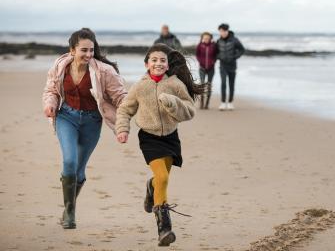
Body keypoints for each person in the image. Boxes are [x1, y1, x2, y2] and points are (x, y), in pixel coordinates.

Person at [115, 43, 204, 247]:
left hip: (171, 137)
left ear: (167, 64)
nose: (158, 63)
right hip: (149, 138)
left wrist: (173, 102)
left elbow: (190, 111)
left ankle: (151, 186)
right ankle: (164, 228)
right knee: (163, 178)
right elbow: (124, 110)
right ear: (147, 64)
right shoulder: (139, 86)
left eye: (162, 60)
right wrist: (122, 129)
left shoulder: (175, 84)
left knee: (160, 181)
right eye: (154, 60)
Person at [42, 28, 127, 229]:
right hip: (66, 117)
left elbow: (121, 97)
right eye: (83, 50)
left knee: (79, 170)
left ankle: (68, 206)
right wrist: (50, 104)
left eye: (91, 50)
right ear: (72, 50)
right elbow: (51, 90)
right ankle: (70, 212)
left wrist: (124, 122)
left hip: (92, 121)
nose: (88, 54)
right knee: (69, 161)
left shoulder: (104, 71)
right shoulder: (60, 65)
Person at [216, 23, 245, 111]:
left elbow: (242, 50)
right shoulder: (218, 41)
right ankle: (223, 102)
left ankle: (230, 102)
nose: (222, 33)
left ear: (227, 31)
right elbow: (216, 52)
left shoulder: (235, 40)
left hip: (232, 66)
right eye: (220, 31)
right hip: (222, 66)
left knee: (231, 84)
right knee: (223, 83)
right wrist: (219, 57)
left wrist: (235, 57)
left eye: (224, 31)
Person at [195, 32, 217, 109]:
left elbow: (216, 55)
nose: (206, 39)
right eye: (205, 38)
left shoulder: (213, 46)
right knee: (202, 85)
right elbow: (197, 55)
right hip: (202, 68)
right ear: (202, 38)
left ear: (210, 38)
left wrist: (213, 62)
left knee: (209, 85)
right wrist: (200, 61)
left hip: (211, 68)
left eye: (208, 38)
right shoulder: (200, 45)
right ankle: (201, 103)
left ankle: (207, 104)